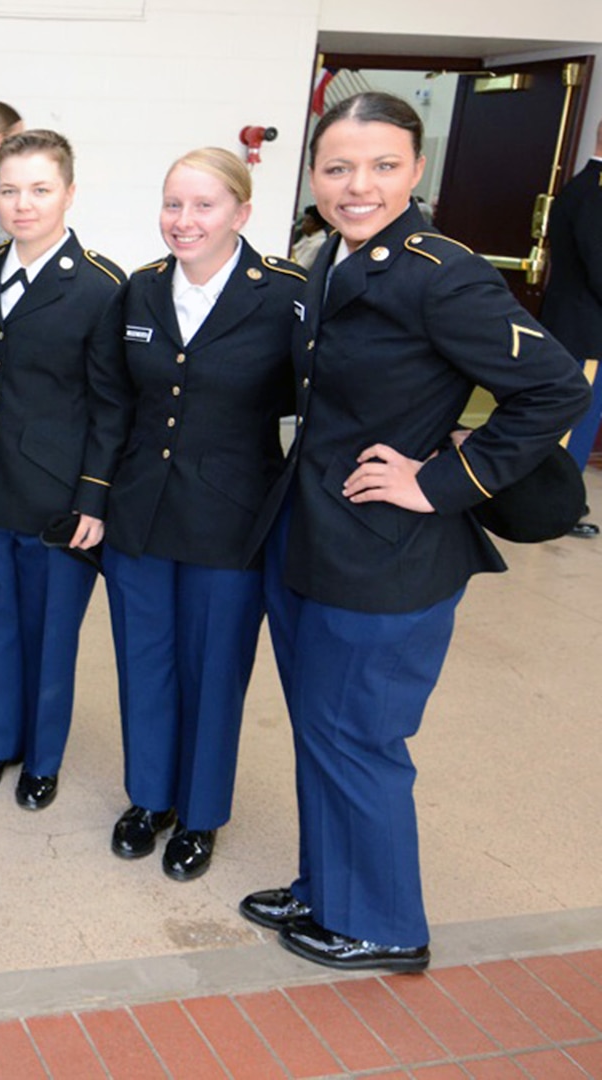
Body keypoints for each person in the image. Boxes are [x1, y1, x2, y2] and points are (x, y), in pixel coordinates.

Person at [242, 92, 590, 972]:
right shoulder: (328, 255)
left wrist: (440, 482)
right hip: (315, 533)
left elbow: (555, 387)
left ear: (416, 170)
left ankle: (386, 924)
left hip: (391, 553)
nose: (358, 185)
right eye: (338, 167)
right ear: (314, 174)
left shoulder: (444, 272)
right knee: (323, 728)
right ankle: (327, 889)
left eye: (383, 165)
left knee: (360, 735)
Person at [82, 148, 304, 879]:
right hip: (140, 516)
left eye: (204, 206)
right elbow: (116, 403)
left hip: (230, 523)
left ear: (242, 213)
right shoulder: (141, 290)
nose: (184, 221)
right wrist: (96, 498)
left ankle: (200, 815)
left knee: (213, 675)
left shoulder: (285, 296)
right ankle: (149, 798)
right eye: (173, 204)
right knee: (145, 664)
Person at [0, 130, 121, 811]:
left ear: (69, 194)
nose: (22, 204)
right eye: (10, 190)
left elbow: (112, 406)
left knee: (50, 637)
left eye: (39, 190)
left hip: (56, 499)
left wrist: (94, 499)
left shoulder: (104, 288)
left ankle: (42, 759)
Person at [539, 119, 602, 496]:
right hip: (587, 331)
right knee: (576, 420)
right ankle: (558, 501)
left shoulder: (585, 187)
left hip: (575, 324)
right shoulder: (595, 194)